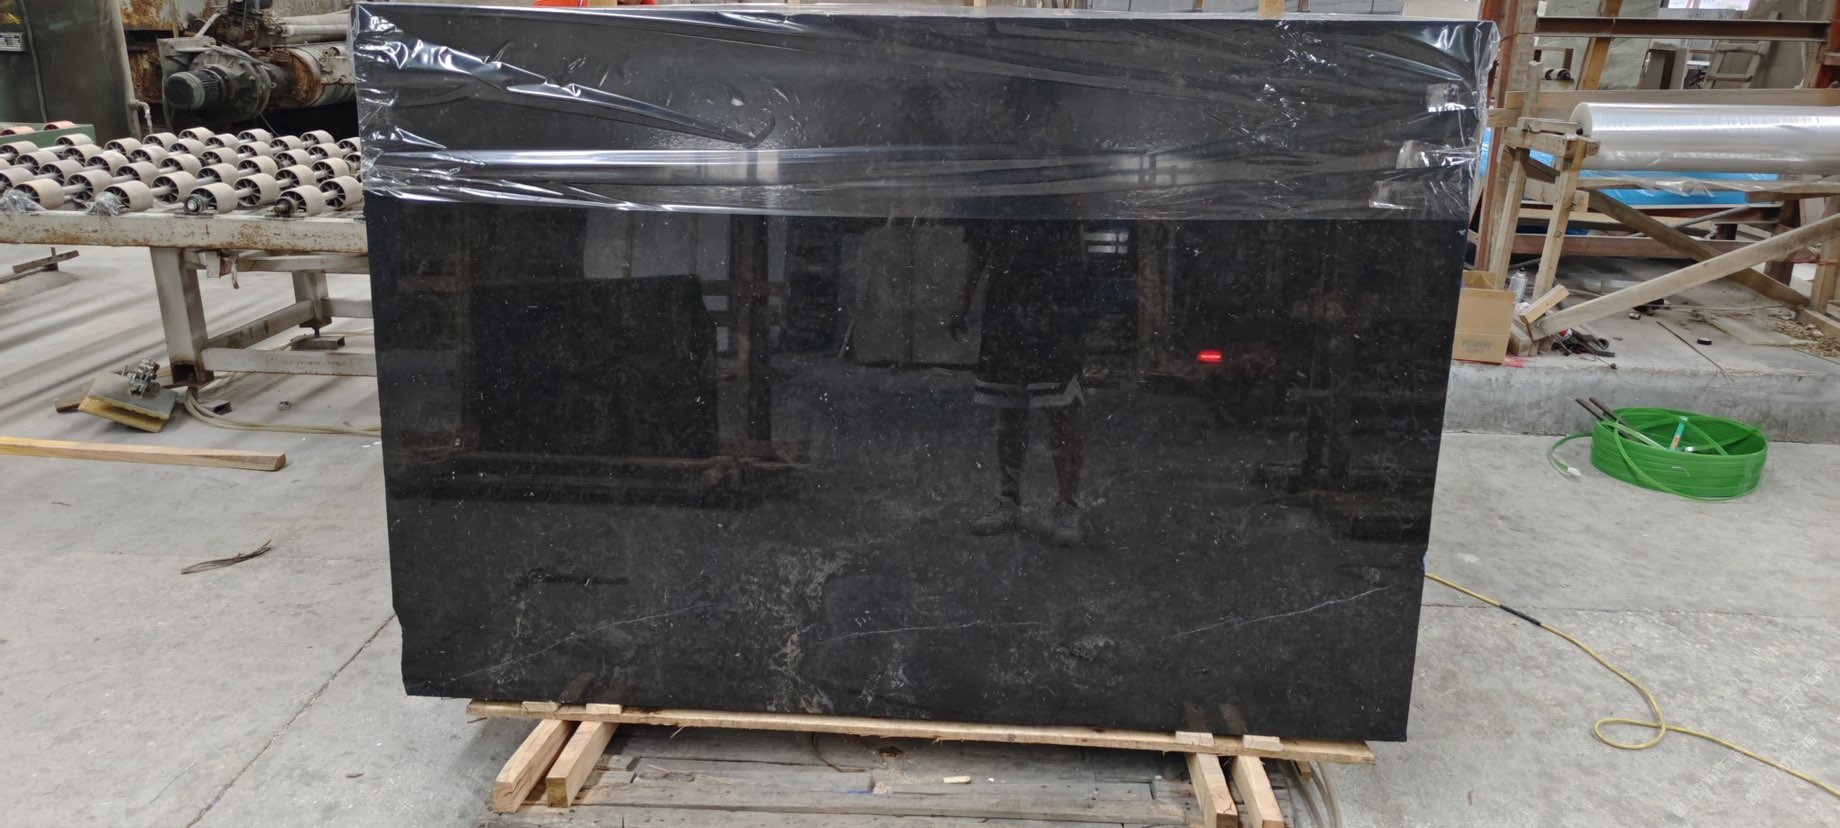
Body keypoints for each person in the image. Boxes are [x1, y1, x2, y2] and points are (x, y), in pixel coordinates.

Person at [949, 220, 1089, 546]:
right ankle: (1009, 501)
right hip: (1007, 307)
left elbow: (1083, 222)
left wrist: (1078, 305)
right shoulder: (997, 195)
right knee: (1009, 409)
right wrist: (962, 302)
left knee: (1061, 408)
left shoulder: (1060, 191)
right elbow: (978, 247)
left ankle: (1067, 505)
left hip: (1054, 305)